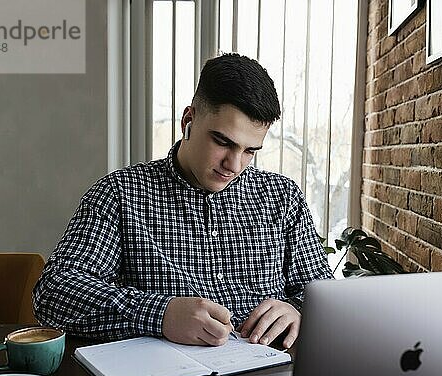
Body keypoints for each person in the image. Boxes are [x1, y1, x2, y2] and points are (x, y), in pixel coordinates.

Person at [33, 53, 333, 349]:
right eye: (223, 142)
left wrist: (298, 310)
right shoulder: (121, 194)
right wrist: (160, 315)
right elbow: (53, 293)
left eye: (250, 150)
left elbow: (325, 296)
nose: (234, 164)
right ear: (188, 120)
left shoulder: (283, 198)